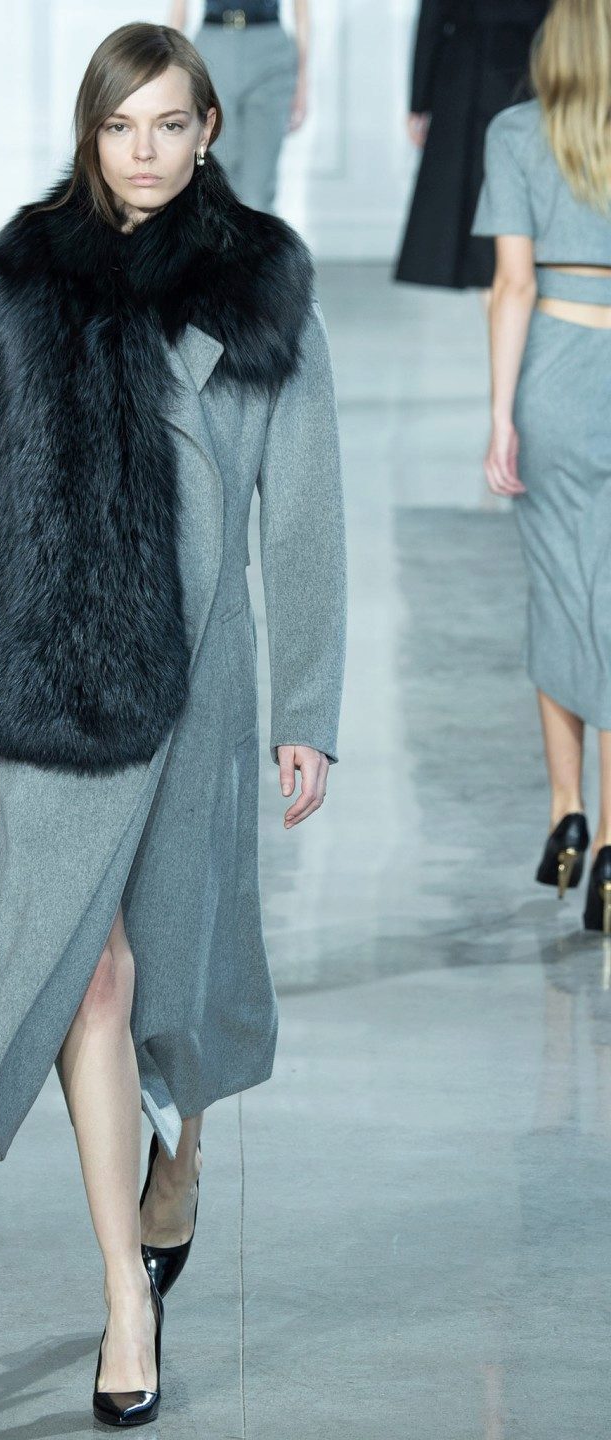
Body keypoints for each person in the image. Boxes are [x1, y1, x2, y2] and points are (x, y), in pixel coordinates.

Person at [0, 21, 347, 1428]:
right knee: (85, 981)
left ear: (210, 131)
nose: (143, 152)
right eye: (119, 125)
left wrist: (309, 709)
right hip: (54, 686)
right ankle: (121, 1299)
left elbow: (306, 509)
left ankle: (181, 1155)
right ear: (89, 134)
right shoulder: (27, 282)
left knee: (174, 977)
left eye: (168, 124)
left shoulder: (262, 286)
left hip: (201, 685)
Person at [471, 0, 611, 932]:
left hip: (554, 372)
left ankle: (568, 813)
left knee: (562, 590)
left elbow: (512, 284)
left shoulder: (517, 133)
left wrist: (499, 415)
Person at [394, 0, 550, 291]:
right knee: (528, 194)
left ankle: (501, 310)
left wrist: (420, 101)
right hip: (532, 67)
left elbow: (432, 18)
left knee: (472, 204)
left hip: (467, 73)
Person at [169, 0, 308, 212]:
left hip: (269, 50)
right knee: (217, 178)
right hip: (214, 46)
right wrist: (171, 75)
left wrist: (303, 80)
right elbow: (180, 8)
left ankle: (257, 233)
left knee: (258, 189)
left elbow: (302, 8)